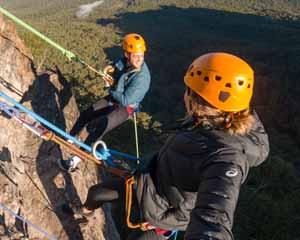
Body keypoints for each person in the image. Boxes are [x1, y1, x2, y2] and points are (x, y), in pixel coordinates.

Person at [63, 52, 269, 240]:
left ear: (197, 100)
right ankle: (85, 212)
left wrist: (165, 221)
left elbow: (215, 216)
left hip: (163, 216)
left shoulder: (226, 157)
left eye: (189, 91)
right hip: (148, 184)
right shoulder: (208, 120)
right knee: (97, 193)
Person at [58, 33, 151, 172]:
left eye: (141, 55)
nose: (139, 59)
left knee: (101, 126)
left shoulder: (142, 78)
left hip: (126, 107)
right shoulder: (125, 61)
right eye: (135, 55)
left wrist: (111, 87)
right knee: (88, 113)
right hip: (115, 97)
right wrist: (108, 69)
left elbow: (125, 100)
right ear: (127, 54)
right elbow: (116, 65)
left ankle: (74, 161)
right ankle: (70, 138)